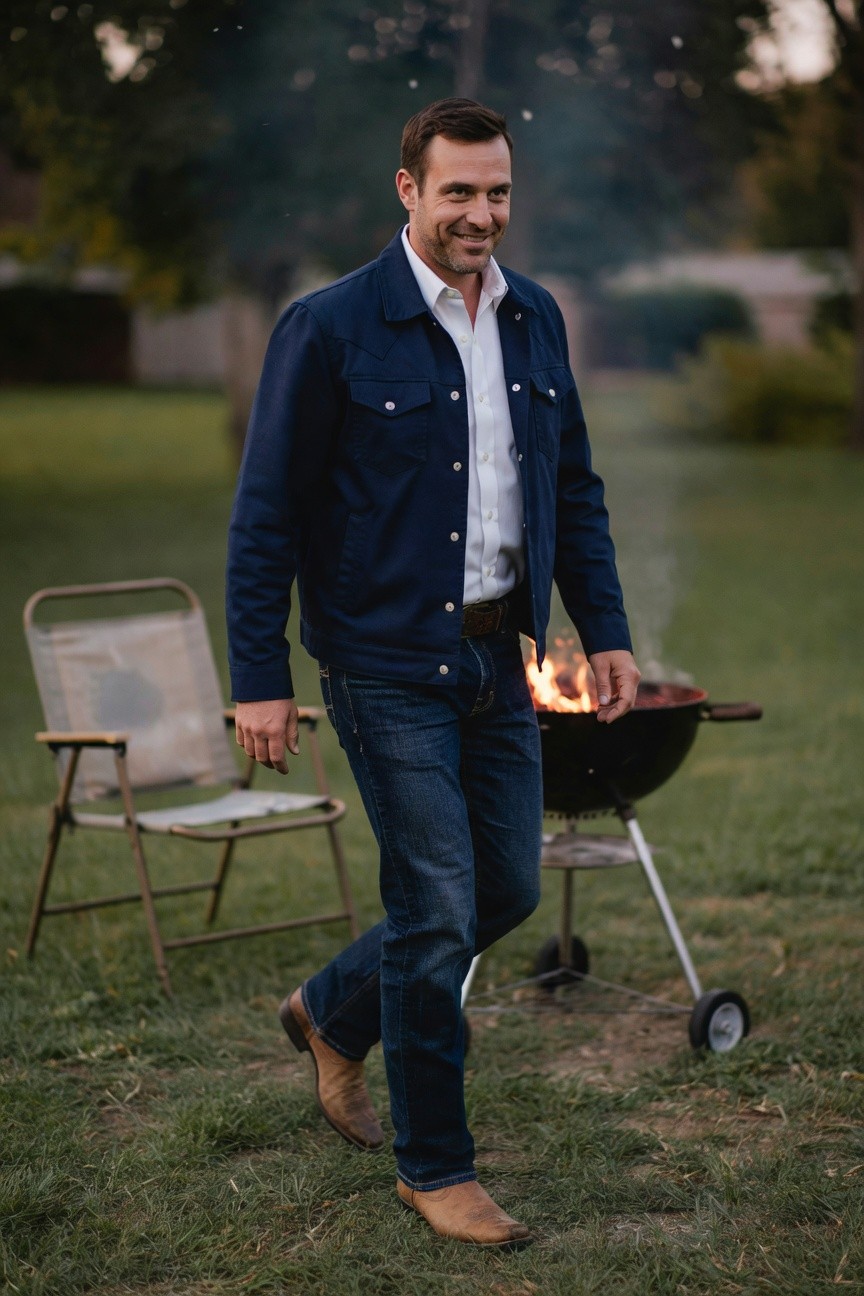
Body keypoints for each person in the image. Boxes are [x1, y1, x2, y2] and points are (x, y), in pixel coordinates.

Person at [226, 97, 640, 1249]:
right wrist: (259, 676)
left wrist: (601, 629)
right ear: (406, 190)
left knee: (503, 884)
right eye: (458, 190)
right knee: (437, 906)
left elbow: (576, 491)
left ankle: (329, 1011)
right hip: (380, 659)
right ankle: (436, 1166)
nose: (481, 213)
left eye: (497, 191)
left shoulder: (534, 319)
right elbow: (266, 516)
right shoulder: (330, 327)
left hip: (497, 657)